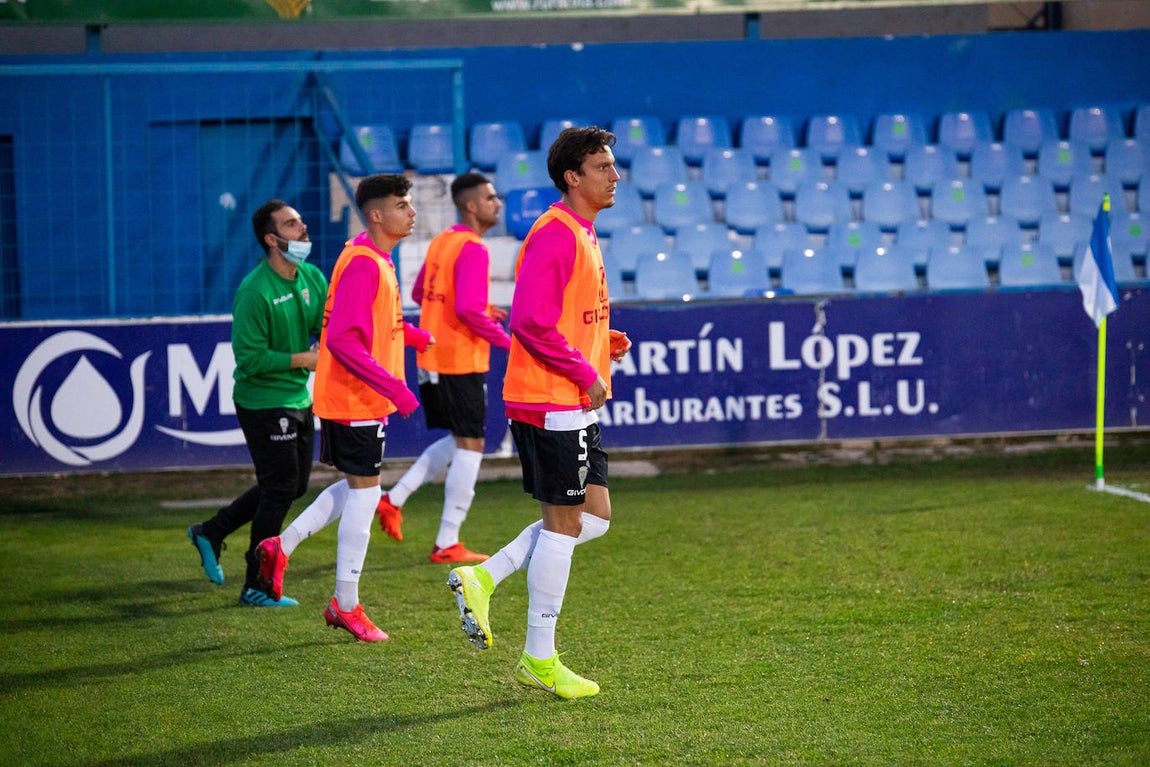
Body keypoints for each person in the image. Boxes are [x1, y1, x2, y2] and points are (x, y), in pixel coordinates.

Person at [446, 127, 632, 699]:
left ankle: (485, 575)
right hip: (551, 400)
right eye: (602, 166)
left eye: (613, 164)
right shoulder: (557, 233)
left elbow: (565, 317)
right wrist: (583, 369)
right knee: (564, 524)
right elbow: (529, 322)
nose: (614, 174)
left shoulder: (581, 231)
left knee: (591, 518)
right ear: (573, 177)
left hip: (566, 398)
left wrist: (604, 342)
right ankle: (540, 657)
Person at [254, 174, 433, 642]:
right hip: (356, 398)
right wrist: (395, 387)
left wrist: (415, 337)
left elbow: (377, 323)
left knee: (357, 488)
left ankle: (281, 544)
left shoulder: (371, 257)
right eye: (401, 205)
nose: (410, 212)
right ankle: (345, 604)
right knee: (366, 494)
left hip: (354, 397)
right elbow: (344, 342)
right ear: (376, 214)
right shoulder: (365, 264)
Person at [187, 199, 326, 607]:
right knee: (281, 487)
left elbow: (324, 326)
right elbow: (249, 359)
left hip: (298, 396)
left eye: (301, 220)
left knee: (290, 485)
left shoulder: (312, 277)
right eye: (292, 224)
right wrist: (304, 359)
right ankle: (256, 585)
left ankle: (211, 531)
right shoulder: (254, 291)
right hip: (263, 401)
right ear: (271, 238)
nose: (303, 228)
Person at [375, 172, 512, 564]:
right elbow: (467, 310)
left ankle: (394, 499)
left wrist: (479, 309)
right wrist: (509, 342)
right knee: (472, 444)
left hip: (434, 357)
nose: (496, 203)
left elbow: (422, 293)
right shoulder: (473, 248)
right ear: (470, 205)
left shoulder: (443, 241)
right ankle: (447, 541)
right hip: (457, 357)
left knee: (460, 439)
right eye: (489, 197)